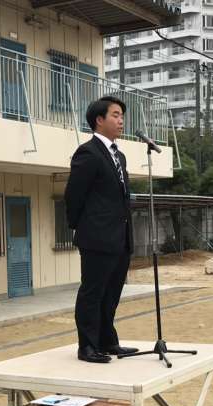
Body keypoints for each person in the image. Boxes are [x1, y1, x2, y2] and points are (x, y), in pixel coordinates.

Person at [65, 96, 139, 363]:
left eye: (122, 116)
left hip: (120, 237)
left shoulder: (119, 155)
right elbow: (74, 195)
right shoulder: (88, 152)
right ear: (99, 120)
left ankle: (108, 341)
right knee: (93, 293)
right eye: (115, 115)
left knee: (112, 293)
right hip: (97, 237)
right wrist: (84, 228)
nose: (121, 120)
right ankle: (87, 346)